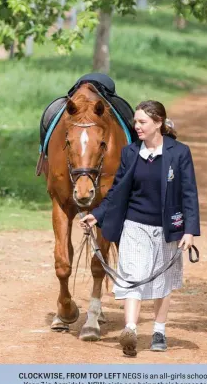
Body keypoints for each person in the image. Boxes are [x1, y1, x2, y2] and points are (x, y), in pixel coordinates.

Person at [81, 100, 200, 356]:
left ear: (158, 123)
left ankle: (159, 330)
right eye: (135, 122)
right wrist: (97, 215)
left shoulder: (179, 153)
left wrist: (189, 230)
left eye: (142, 122)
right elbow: (116, 191)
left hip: (168, 228)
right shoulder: (130, 152)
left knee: (162, 282)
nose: (137, 127)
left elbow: (189, 193)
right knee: (132, 276)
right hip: (134, 225)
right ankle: (131, 330)